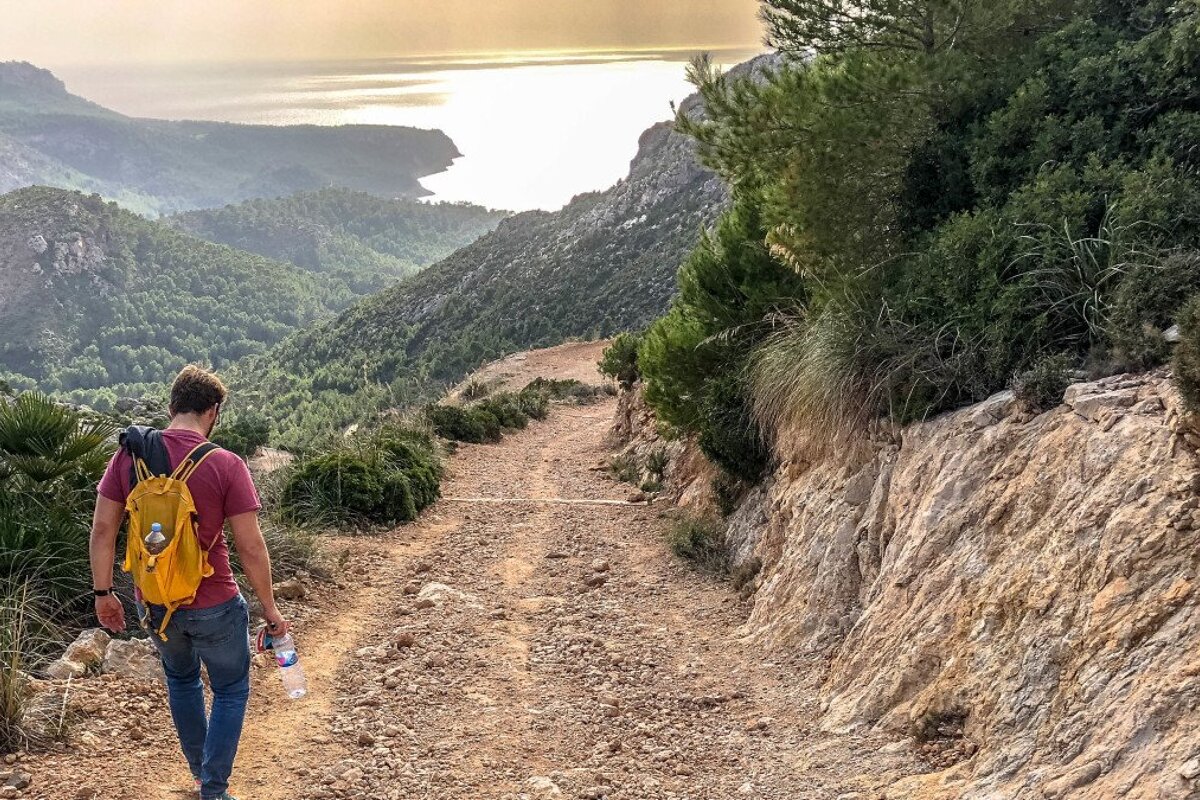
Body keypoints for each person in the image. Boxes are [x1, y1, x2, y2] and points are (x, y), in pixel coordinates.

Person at [89, 365, 288, 800]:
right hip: (214, 598)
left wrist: (104, 594)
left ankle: (200, 776)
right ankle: (213, 790)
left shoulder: (128, 456)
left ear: (172, 405)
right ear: (212, 412)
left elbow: (103, 530)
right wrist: (271, 609)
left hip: (155, 600)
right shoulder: (225, 464)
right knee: (231, 688)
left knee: (181, 682)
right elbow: (250, 548)